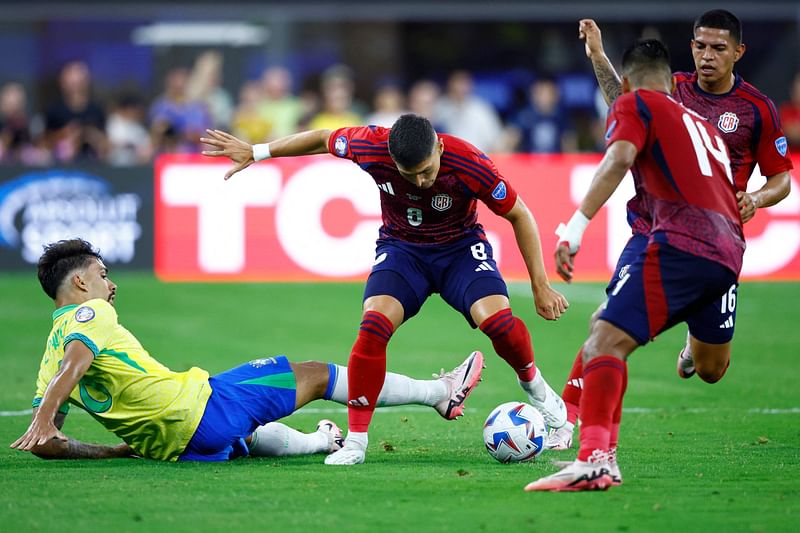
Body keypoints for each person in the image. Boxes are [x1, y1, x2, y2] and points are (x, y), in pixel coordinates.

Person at [200, 113, 570, 466]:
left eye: (427, 171)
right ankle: (357, 441)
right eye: (411, 175)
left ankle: (535, 387)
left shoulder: (470, 162)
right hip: (403, 251)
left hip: (460, 251)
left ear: (439, 148)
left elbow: (519, 214)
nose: (421, 181)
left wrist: (541, 285)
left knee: (500, 325)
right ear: (392, 160)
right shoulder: (371, 145)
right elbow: (322, 139)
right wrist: (259, 151)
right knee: (373, 327)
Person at [548, 10, 794, 451]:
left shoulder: (756, 109)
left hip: (714, 239)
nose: (707, 56)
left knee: (712, 369)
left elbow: (781, 178)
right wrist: (599, 56)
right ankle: (568, 420)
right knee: (604, 322)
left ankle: (688, 338)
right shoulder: (671, 86)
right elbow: (622, 101)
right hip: (653, 227)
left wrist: (755, 199)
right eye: (700, 46)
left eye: (719, 48)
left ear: (738, 52)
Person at [10, 239, 483, 462]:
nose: (110, 286)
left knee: (249, 432)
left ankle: (322, 440)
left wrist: (113, 452)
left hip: (177, 449)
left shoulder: (46, 357)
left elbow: (48, 448)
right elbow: (77, 364)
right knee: (314, 373)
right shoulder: (91, 316)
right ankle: (437, 391)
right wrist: (44, 416)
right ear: (79, 282)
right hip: (199, 410)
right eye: (102, 275)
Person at [526, 39, 745, 492]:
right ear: (672, 80)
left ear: (628, 86)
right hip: (728, 255)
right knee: (706, 367)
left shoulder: (636, 103)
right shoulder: (702, 124)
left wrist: (576, 226)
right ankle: (597, 454)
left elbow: (619, 156)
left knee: (601, 340)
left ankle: (595, 460)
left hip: (683, 244)